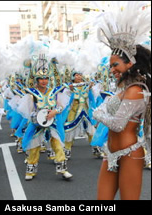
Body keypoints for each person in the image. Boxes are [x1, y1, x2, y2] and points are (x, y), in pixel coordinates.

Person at [93, 2, 151, 200]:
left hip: (130, 154)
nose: (112, 70)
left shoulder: (136, 90)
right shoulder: (123, 89)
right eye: (110, 66)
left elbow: (118, 124)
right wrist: (102, 109)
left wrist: (98, 113)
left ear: (131, 63)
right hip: (111, 153)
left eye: (115, 65)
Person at [19, 57, 73, 180]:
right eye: (41, 79)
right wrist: (38, 117)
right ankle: (30, 171)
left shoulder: (54, 91)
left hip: (52, 122)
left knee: (58, 144)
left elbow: (61, 107)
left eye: (46, 78)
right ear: (36, 80)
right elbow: (28, 111)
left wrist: (54, 112)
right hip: (37, 123)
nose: (44, 81)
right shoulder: (31, 93)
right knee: (34, 147)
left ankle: (63, 169)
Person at [63, 70, 96, 159]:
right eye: (77, 75)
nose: (79, 77)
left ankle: (96, 149)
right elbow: (65, 100)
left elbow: (92, 97)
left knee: (91, 129)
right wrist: (70, 90)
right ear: (73, 77)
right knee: (69, 130)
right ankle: (67, 150)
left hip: (85, 110)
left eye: (80, 75)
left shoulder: (86, 85)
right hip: (73, 111)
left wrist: (90, 88)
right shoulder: (68, 87)